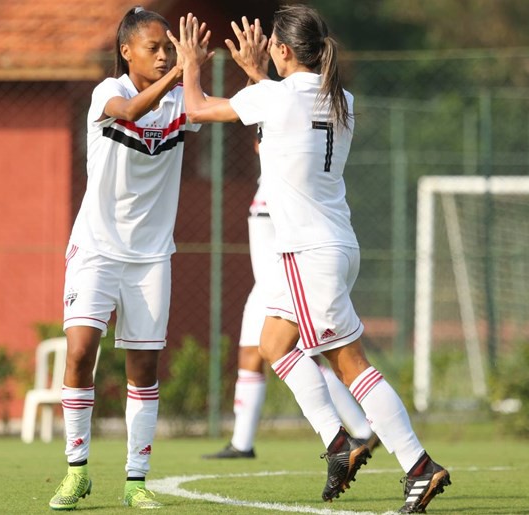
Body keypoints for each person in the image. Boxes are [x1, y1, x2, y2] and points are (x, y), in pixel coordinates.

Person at [170, 6, 451, 513]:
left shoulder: (273, 97)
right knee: (275, 342)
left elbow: (194, 108)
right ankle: (339, 443)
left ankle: (418, 464)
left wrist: (191, 61)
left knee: (352, 367)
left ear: (281, 50)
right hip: (336, 245)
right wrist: (261, 75)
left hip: (307, 253)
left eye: (274, 47)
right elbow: (282, 129)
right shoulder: (340, 96)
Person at [49, 6, 210, 511]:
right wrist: (178, 78)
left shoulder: (184, 99)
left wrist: (243, 75)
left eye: (169, 48)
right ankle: (77, 472)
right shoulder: (108, 92)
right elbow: (129, 112)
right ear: (127, 52)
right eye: (154, 48)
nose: (164, 56)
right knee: (79, 352)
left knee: (144, 367)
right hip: (96, 247)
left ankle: (137, 480)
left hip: (150, 257)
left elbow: (225, 110)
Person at [203, 143, 378, 460]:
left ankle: (362, 428)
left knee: (308, 357)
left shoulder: (291, 179)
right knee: (249, 356)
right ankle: (242, 443)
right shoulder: (269, 177)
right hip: (264, 285)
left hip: (285, 282)